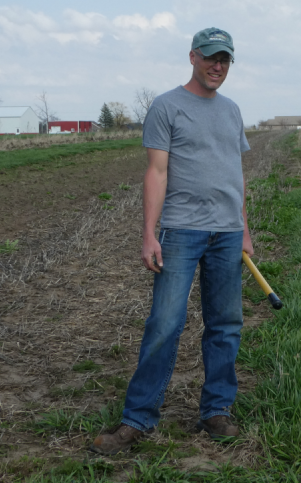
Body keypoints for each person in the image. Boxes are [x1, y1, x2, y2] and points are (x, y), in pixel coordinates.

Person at [90, 27, 253, 455]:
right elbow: (156, 172)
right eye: (212, 57)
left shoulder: (233, 111)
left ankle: (216, 411)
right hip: (181, 232)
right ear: (193, 57)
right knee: (164, 324)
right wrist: (149, 233)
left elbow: (236, 175)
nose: (218, 66)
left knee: (225, 326)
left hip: (227, 234)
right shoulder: (166, 107)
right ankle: (137, 420)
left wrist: (245, 230)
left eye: (226, 60)